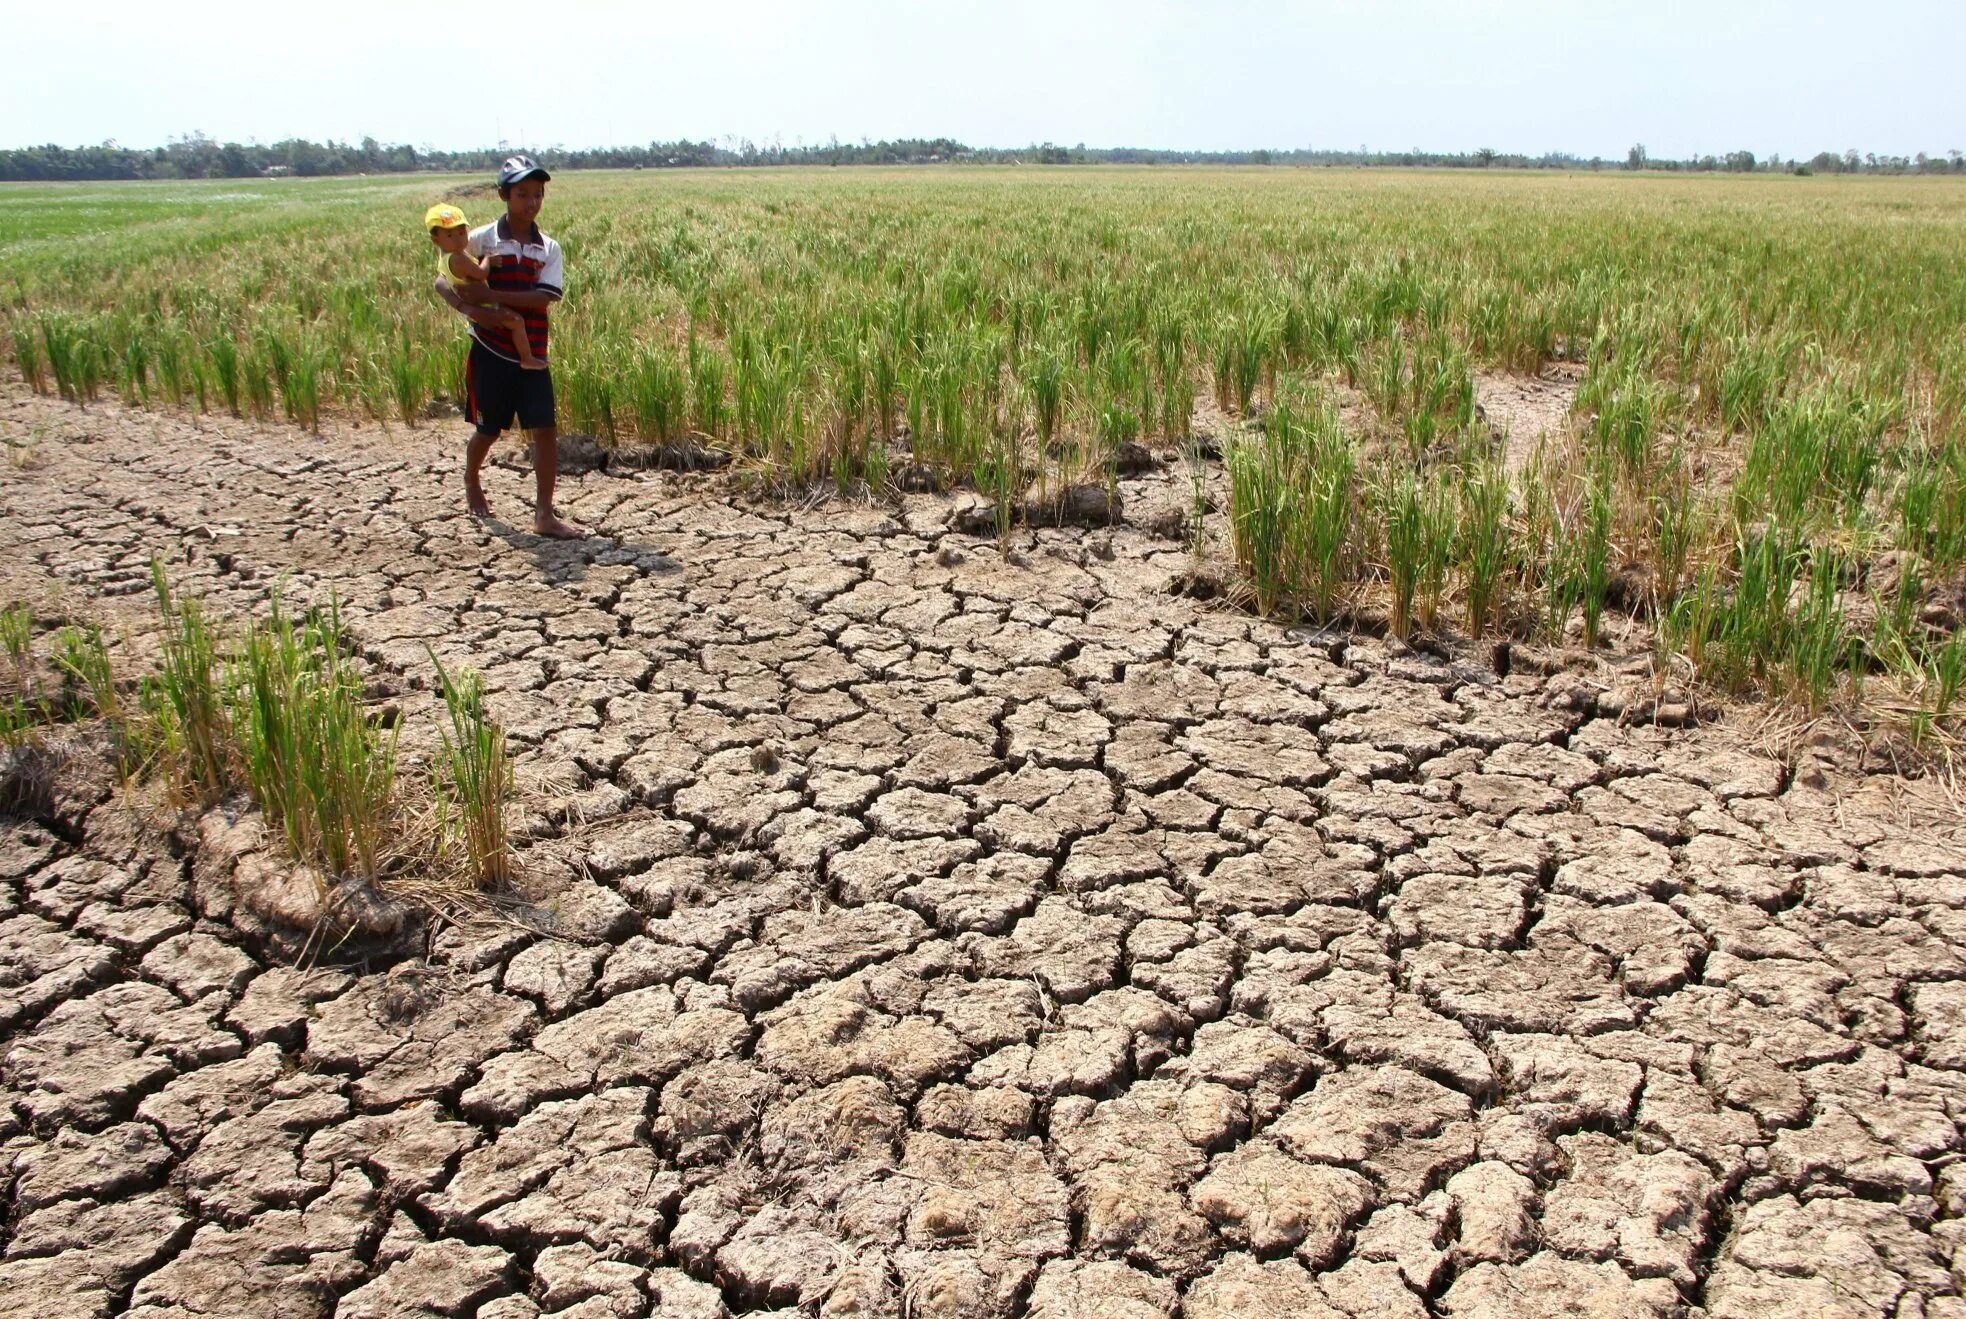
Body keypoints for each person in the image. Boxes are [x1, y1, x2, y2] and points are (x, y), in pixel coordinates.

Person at [432, 155, 585, 538]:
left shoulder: (548, 248)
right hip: (491, 350)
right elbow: (442, 280)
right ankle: (471, 478)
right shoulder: (481, 239)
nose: (531, 202)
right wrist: (469, 307)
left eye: (538, 194)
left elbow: (544, 297)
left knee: (545, 428)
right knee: (489, 429)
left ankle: (544, 514)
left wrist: (490, 293)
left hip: (533, 353)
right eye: (522, 194)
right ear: (503, 195)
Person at [426, 203, 546, 371]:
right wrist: (488, 260)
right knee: (517, 322)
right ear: (436, 240)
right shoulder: (458, 258)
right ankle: (527, 358)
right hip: (486, 306)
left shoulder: (445, 258)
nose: (459, 239)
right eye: (450, 235)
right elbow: (481, 274)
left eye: (462, 233)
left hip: (477, 307)